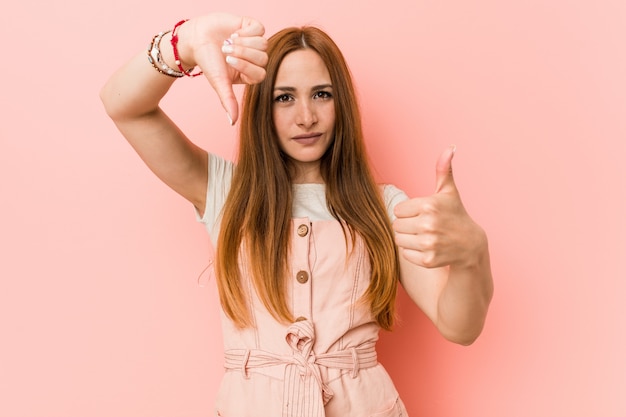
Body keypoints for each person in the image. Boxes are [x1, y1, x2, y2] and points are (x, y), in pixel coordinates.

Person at [100, 12, 493, 417]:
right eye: (284, 97)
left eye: (322, 94)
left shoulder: (385, 207)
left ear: (342, 102)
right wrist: (183, 43)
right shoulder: (224, 192)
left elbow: (459, 326)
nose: (306, 116)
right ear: (261, 108)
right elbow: (123, 105)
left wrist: (471, 256)